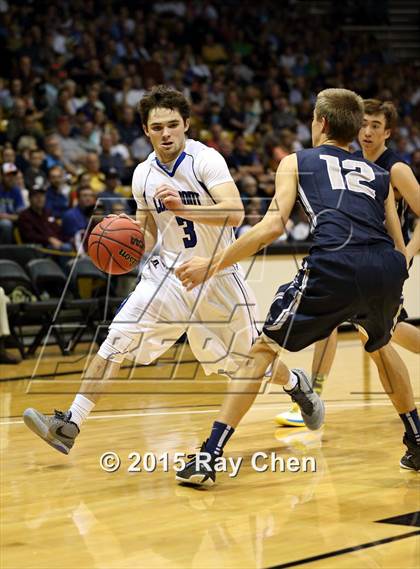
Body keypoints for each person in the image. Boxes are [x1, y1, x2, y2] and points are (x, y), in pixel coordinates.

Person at [174, 88, 417, 485]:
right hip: (385, 267)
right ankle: (417, 438)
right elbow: (397, 242)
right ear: (355, 130)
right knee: (381, 345)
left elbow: (272, 227)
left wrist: (212, 265)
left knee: (263, 348)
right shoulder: (379, 173)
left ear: (320, 123)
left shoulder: (296, 161)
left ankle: (209, 455)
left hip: (336, 262)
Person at [22, 85, 259, 455]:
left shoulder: (206, 160)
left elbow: (235, 212)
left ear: (187, 125)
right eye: (157, 127)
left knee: (250, 360)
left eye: (173, 125)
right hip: (166, 277)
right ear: (146, 131)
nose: (166, 134)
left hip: (217, 273)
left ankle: (294, 384)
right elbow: (146, 234)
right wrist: (123, 248)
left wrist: (184, 209)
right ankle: (70, 423)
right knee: (115, 340)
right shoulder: (142, 175)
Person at [277, 99, 420, 431]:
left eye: (375, 126)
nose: (367, 132)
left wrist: (408, 252)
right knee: (357, 331)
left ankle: (312, 399)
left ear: (388, 132)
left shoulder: (394, 169)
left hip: (384, 260)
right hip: (354, 259)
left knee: (384, 337)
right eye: (364, 124)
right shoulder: (348, 161)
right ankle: (313, 397)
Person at [0, 163, 25, 244]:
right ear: (1, 176)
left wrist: (6, 216)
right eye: (8, 175)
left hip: (12, 221)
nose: (11, 178)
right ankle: (4, 251)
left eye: (13, 175)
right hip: (5, 223)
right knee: (5, 224)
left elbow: (21, 216)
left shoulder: (16, 191)